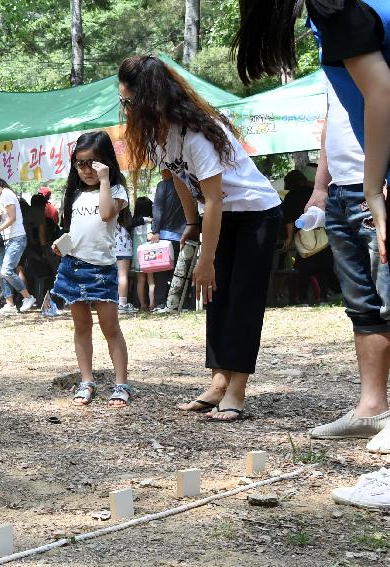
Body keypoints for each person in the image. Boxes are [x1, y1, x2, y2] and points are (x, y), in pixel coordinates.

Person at [235, 0, 390, 450]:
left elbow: (382, 93)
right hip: (350, 184)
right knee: (364, 304)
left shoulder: (334, 3)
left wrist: (375, 188)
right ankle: (372, 409)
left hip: (374, 179)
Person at [118, 55, 282, 422]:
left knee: (242, 300)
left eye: (128, 101)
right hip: (219, 216)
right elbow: (176, 177)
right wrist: (190, 223)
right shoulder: (160, 133)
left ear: (147, 98)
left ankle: (236, 390)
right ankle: (218, 382)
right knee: (216, 300)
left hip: (256, 215)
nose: (125, 109)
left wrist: (205, 261)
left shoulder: (195, 133)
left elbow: (214, 198)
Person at [51, 131, 132, 408]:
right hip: (73, 265)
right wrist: (62, 245)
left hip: (102, 269)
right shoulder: (74, 194)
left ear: (106, 162)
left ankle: (121, 384)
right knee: (81, 327)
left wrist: (106, 179)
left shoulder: (117, 190)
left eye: (93, 163)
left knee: (110, 327)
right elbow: (76, 232)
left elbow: (107, 214)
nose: (86, 170)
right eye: (80, 163)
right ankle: (87, 380)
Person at [0, 175, 37, 314]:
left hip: (16, 238)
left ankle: (28, 297)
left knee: (6, 271)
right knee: (0, 273)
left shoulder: (7, 194)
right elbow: (5, 218)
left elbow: (12, 219)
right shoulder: (1, 197)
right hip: (7, 239)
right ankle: (9, 304)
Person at [280, 169, 337, 303]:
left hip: (303, 236)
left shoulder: (290, 197)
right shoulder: (314, 193)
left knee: (304, 269)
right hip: (321, 234)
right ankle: (323, 297)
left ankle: (303, 298)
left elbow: (289, 219)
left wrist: (289, 237)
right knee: (324, 268)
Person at [150, 170, 187, 310]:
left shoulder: (163, 185)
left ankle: (160, 302)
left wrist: (155, 231)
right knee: (179, 272)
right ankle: (179, 303)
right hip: (183, 235)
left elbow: (158, 209)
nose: (160, 172)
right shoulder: (186, 185)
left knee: (160, 272)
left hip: (164, 236)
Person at [130, 197, 155, 312]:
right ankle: (152, 304)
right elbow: (150, 237)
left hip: (137, 257)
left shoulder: (134, 223)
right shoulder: (150, 222)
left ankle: (143, 305)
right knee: (151, 282)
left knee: (140, 282)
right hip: (149, 256)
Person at [114, 205, 136, 314]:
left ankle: (109, 302)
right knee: (122, 275)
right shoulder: (125, 214)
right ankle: (122, 303)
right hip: (124, 242)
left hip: (109, 241)